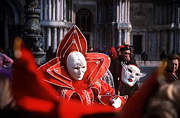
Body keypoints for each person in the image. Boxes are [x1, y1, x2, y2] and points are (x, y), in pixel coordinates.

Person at [39, 25, 126, 109]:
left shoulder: (94, 81)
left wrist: (115, 100)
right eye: (76, 68)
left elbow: (109, 94)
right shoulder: (55, 83)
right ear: (66, 67)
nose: (81, 72)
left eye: (83, 67)